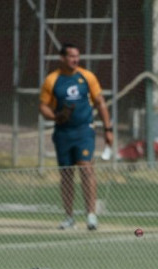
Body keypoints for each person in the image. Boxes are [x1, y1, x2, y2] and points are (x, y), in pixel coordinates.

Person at [39, 42, 113, 231]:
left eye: (77, 56)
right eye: (71, 56)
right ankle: (69, 217)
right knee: (66, 174)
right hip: (63, 133)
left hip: (84, 131)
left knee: (87, 169)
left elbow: (100, 102)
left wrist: (108, 128)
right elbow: (43, 106)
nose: (75, 60)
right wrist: (55, 116)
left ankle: (91, 215)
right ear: (62, 58)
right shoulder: (52, 80)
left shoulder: (86, 77)